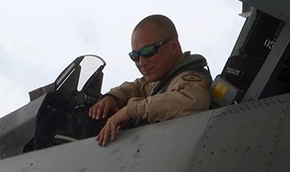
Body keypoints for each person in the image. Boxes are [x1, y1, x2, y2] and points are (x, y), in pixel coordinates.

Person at [89, 15, 212, 146]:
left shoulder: (188, 77)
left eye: (148, 51)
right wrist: (113, 97)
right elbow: (138, 86)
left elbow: (194, 100)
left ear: (174, 46)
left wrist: (130, 110)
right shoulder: (164, 78)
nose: (141, 62)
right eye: (135, 56)